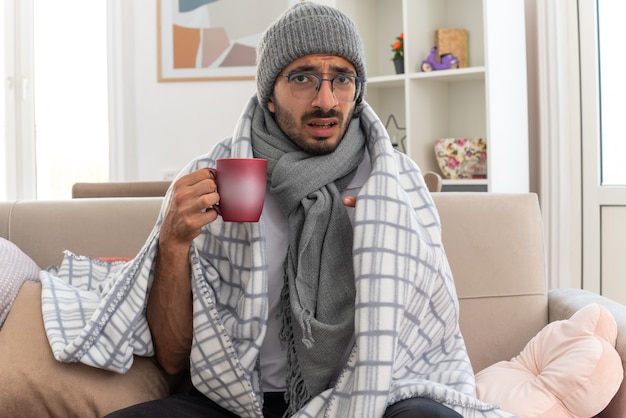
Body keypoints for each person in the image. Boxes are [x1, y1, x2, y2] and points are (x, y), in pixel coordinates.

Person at [39, 3, 513, 417]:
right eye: (303, 77)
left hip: (372, 397)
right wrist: (172, 240)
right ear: (269, 91)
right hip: (243, 401)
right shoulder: (212, 175)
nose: (326, 100)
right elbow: (170, 359)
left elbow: (430, 334)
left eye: (342, 79)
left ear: (357, 88)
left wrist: (386, 236)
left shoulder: (394, 180)